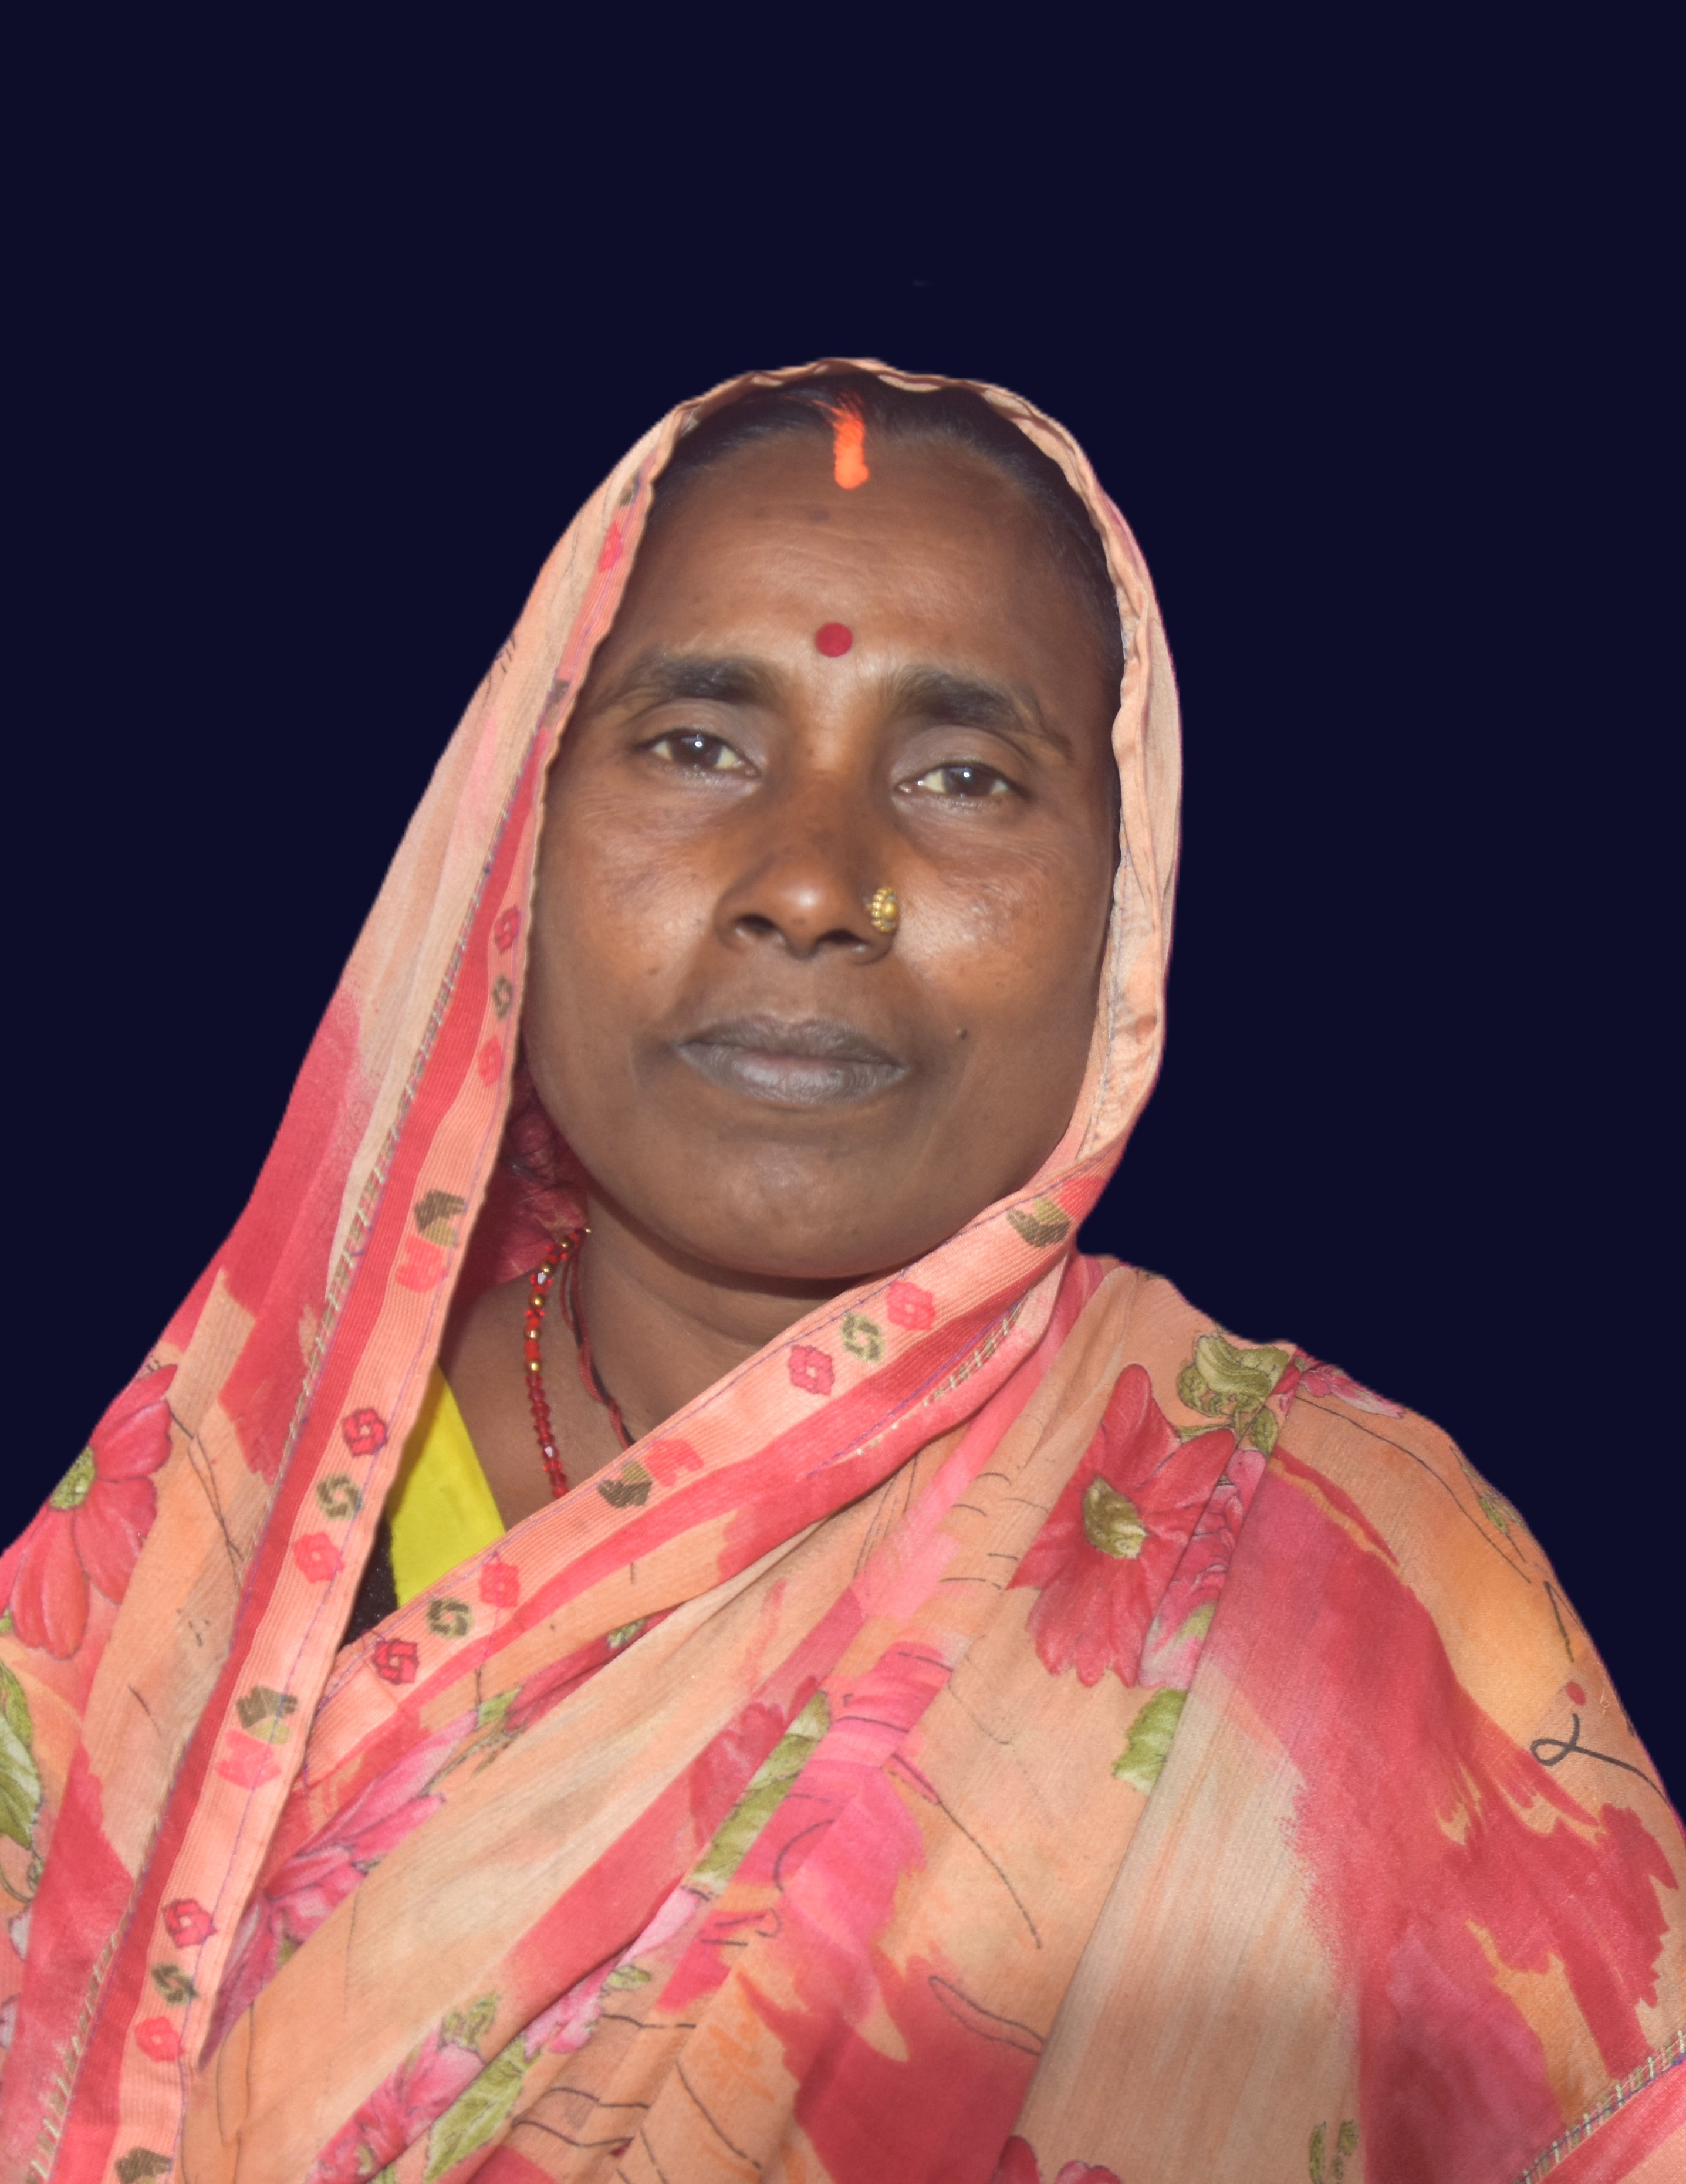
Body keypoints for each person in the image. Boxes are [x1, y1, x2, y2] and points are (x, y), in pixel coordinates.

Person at [0, 364, 1678, 2183]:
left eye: (963, 776)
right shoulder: (198, 1542)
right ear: (512, 837)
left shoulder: (1344, 1584)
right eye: (694, 745)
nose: (811, 885)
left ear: (1121, 907)